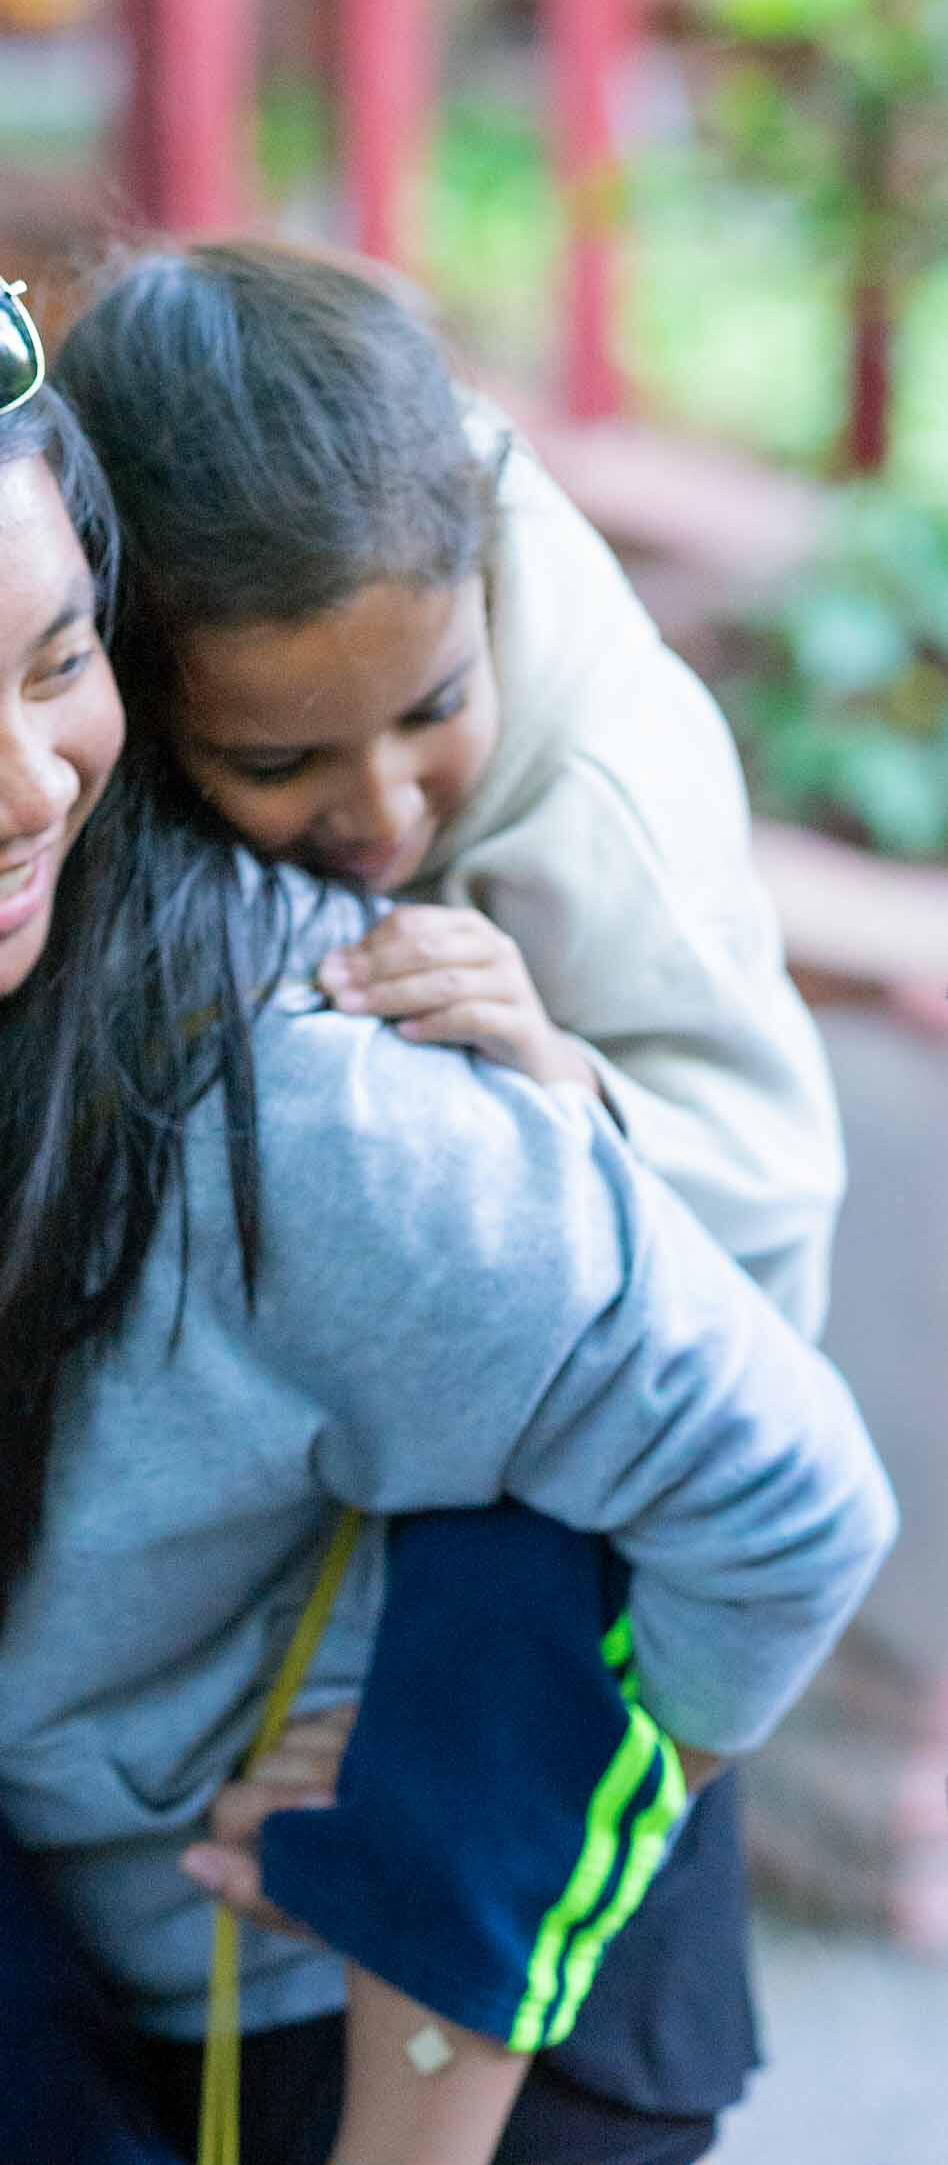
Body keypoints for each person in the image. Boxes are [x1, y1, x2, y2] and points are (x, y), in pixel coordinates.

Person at [0, 241, 893, 2165]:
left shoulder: (310, 1081)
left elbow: (785, 1484)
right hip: (45, 1973)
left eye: (64, 665)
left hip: (356, 2012)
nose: (34, 786)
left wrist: (470, 1824)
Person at [50, 235, 855, 2157]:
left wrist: (572, 1087)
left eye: (432, 710)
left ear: (482, 575)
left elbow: (772, 1261)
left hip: (580, 1618)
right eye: (277, 759)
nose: (386, 808)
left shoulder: (605, 811)